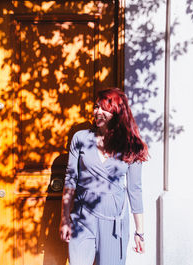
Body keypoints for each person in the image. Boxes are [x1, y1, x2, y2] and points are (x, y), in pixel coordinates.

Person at [59, 88, 148, 265]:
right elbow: (70, 180)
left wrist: (140, 231)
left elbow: (134, 190)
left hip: (113, 222)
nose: (98, 111)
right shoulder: (80, 138)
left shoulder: (131, 145)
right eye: (96, 107)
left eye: (104, 108)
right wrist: (64, 218)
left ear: (117, 112)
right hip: (83, 218)